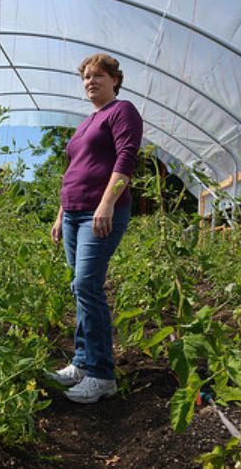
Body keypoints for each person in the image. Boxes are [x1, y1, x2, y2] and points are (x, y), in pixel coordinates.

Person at [47, 53, 143, 403]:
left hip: (98, 212)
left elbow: (126, 156)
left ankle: (103, 375)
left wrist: (107, 202)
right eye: (86, 76)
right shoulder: (86, 122)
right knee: (79, 287)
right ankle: (82, 362)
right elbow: (74, 169)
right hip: (72, 213)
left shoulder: (122, 111)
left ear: (115, 80)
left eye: (99, 75)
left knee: (87, 284)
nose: (91, 81)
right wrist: (60, 214)